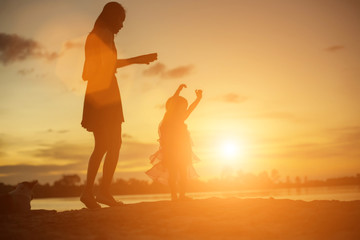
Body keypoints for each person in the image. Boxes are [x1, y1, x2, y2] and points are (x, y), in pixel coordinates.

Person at [80, 2, 157, 209]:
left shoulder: (94, 35)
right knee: (112, 144)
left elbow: (86, 73)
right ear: (111, 18)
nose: (122, 25)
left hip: (98, 92)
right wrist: (137, 60)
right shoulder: (104, 33)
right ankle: (100, 192)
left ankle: (92, 193)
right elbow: (105, 66)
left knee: (104, 145)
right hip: (105, 93)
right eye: (120, 21)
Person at [146, 84, 202, 201]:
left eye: (185, 106)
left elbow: (191, 108)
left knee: (183, 173)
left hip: (183, 149)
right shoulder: (169, 117)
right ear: (174, 106)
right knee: (173, 173)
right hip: (171, 150)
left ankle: (182, 195)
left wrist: (198, 99)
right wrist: (178, 91)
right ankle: (174, 196)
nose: (184, 108)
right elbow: (172, 102)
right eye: (182, 106)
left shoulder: (182, 117)